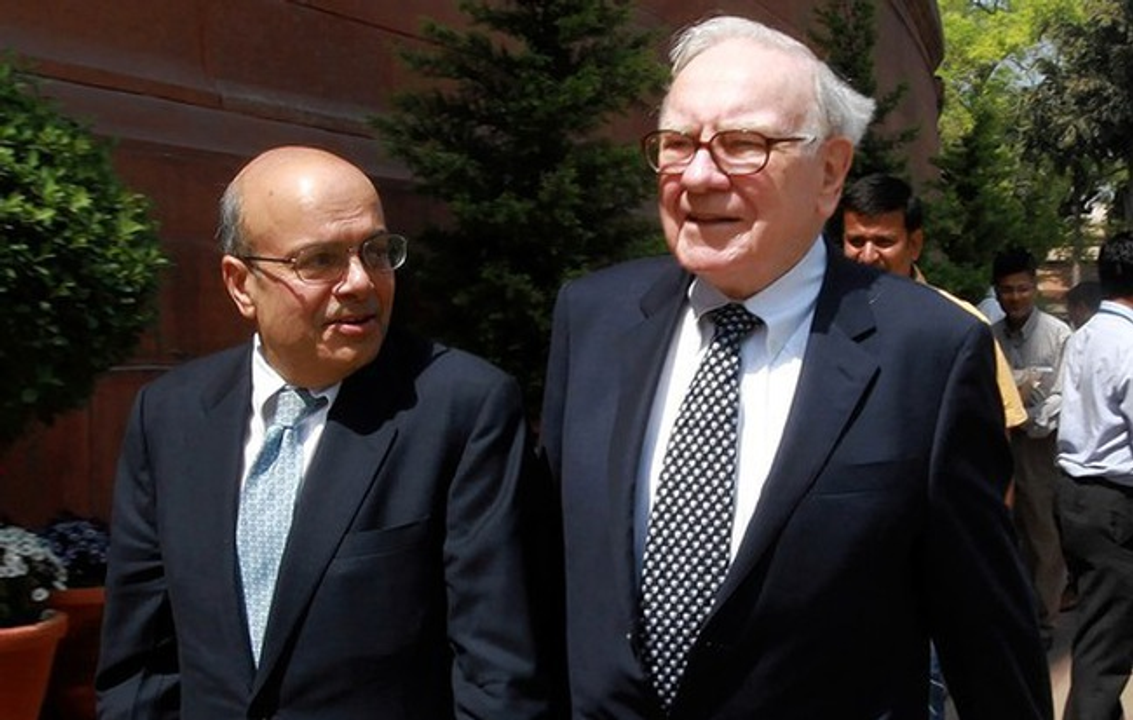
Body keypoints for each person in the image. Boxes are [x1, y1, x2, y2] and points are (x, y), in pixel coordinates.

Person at [540, 15, 1051, 720]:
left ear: (830, 172)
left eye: (742, 145)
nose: (697, 176)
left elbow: (985, 632)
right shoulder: (592, 319)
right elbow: (546, 582)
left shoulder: (929, 352)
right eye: (677, 143)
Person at [96, 146, 553, 719]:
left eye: (376, 252)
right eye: (319, 261)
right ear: (241, 284)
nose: (360, 282)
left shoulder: (461, 408)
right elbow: (140, 666)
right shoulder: (170, 415)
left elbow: (498, 678)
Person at [839, 172, 1028, 719]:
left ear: (915, 242)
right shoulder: (815, 324)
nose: (868, 255)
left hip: (925, 570)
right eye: (855, 240)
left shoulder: (957, 329)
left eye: (883, 241)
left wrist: (977, 569)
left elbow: (993, 465)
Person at [1055, 231, 1133, 720]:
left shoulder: (1084, 335)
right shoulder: (1128, 343)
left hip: (1075, 494)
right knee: (1107, 645)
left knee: (1099, 626)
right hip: (1113, 505)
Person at [991, 246, 1072, 648]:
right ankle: (1012, 614)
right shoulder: (989, 336)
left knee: (1042, 534)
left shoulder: (1058, 335)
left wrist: (1026, 417)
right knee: (1004, 533)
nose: (1016, 297)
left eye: (1023, 288)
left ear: (1035, 287)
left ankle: (1044, 622)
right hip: (999, 448)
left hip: (1040, 449)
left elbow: (1064, 395)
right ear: (997, 291)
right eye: (1007, 290)